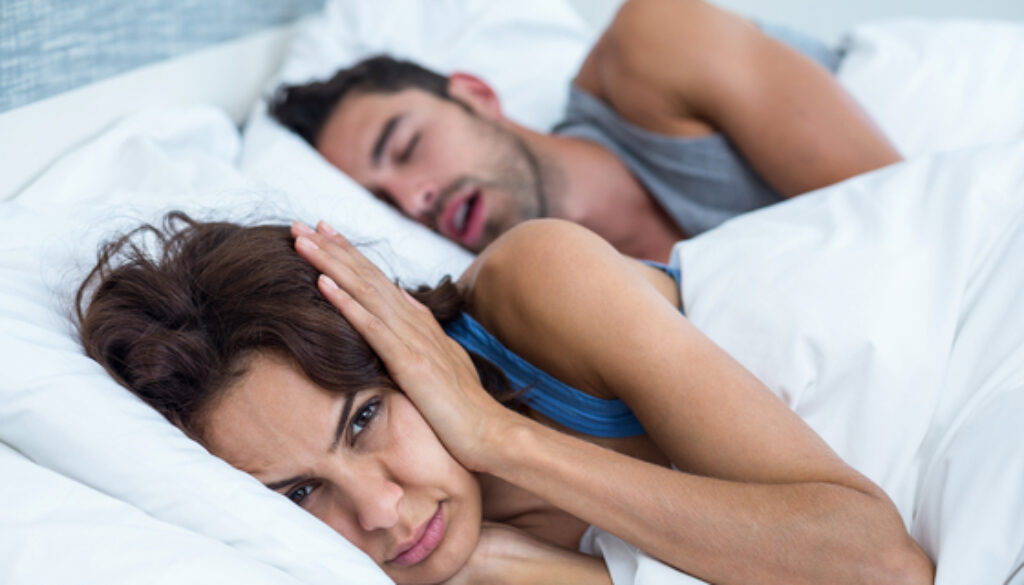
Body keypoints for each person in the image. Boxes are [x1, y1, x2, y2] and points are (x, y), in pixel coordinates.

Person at [75, 211, 933, 585]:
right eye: (301, 491)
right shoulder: (407, 563)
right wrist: (501, 564)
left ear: (411, 345)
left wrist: (497, 437)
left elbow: (879, 563)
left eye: (366, 416)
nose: (379, 510)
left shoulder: (537, 287)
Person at [268, 0, 902, 261]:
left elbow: (909, 218)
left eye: (407, 148)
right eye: (384, 203)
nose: (414, 200)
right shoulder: (544, 309)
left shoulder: (653, 48)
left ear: (477, 95)